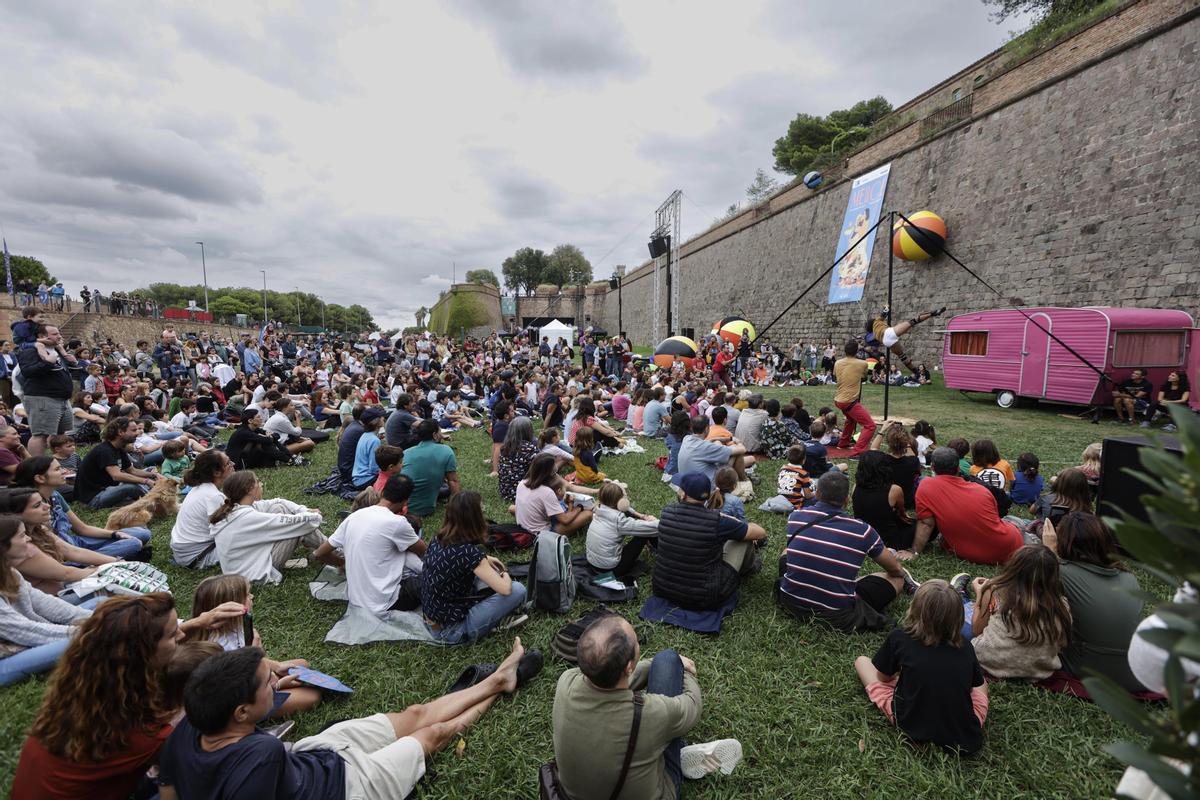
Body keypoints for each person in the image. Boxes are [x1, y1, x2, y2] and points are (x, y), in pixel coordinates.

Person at [157, 639, 535, 800]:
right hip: (348, 789)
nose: (275, 680)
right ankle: (501, 684)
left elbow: (169, 794)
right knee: (434, 734)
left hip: (313, 754)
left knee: (415, 714)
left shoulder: (188, 729)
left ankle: (497, 679)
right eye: (266, 682)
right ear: (240, 713)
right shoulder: (260, 754)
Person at [11, 592, 248, 800]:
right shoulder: (142, 732)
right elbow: (211, 761)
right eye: (172, 633)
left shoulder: (83, 696)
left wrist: (200, 621)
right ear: (142, 651)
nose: (182, 636)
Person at [553, 616, 742, 800]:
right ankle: (676, 754)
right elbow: (692, 704)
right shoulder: (648, 713)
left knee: (664, 661)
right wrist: (683, 671)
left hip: (571, 794)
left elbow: (616, 679)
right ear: (628, 667)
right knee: (668, 659)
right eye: (636, 642)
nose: (638, 645)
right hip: (659, 790)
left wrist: (652, 665)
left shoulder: (566, 682)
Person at [853, 580, 988, 755]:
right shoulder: (966, 648)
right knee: (982, 684)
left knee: (862, 662)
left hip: (909, 724)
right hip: (963, 735)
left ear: (915, 609)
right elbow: (970, 687)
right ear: (959, 617)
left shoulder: (899, 638)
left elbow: (883, 678)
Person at [778, 470, 914, 632]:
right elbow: (895, 568)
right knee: (896, 579)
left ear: (818, 494)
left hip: (790, 601)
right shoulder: (862, 530)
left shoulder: (795, 516)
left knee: (787, 551)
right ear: (846, 500)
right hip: (836, 615)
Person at [1047, 512, 1150, 693]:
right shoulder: (1129, 578)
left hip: (1089, 668)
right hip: (1136, 671)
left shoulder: (1060, 572)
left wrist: (1048, 551)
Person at [421, 491, 527, 644]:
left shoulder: (438, 538)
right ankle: (495, 624)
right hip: (451, 632)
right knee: (518, 589)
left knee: (482, 580)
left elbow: (456, 560)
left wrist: (484, 558)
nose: (483, 511)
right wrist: (504, 573)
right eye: (481, 509)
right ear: (474, 518)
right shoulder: (469, 554)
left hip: (432, 619)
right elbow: (505, 589)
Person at [953, 544, 1072, 680]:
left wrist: (981, 594)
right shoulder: (1062, 605)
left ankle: (959, 597)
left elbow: (977, 630)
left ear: (1014, 567)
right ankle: (961, 598)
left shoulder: (996, 591)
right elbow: (1061, 642)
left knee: (958, 617)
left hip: (988, 660)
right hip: (1039, 671)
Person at [652, 472, 766, 611]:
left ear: (683, 495)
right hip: (705, 596)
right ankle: (749, 569)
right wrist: (729, 519)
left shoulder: (667, 512)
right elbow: (760, 533)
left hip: (663, 588)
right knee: (744, 539)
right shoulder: (717, 521)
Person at [314, 474, 426, 615]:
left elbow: (319, 553)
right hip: (387, 602)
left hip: (356, 600)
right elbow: (425, 552)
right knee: (434, 576)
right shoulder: (398, 523)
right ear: (405, 502)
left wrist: (342, 563)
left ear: (382, 492)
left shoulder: (353, 517)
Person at [0, 517, 92, 686]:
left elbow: (45, 604)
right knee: (85, 640)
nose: (28, 538)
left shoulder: (10, 572)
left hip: (22, 635)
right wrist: (94, 629)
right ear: (3, 546)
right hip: (4, 657)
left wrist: (100, 619)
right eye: (21, 536)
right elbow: (25, 631)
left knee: (100, 604)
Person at [899, 447, 1024, 565]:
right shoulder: (982, 491)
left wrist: (914, 551)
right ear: (958, 468)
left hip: (973, 552)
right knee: (1017, 523)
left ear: (932, 467)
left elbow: (926, 523)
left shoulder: (926, 486)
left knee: (1017, 523)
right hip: (1012, 548)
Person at [14, 456, 151, 561]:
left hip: (75, 542)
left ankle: (104, 556)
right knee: (133, 544)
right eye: (57, 469)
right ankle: (100, 559)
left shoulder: (55, 496)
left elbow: (82, 529)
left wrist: (114, 534)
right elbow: (60, 550)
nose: (64, 471)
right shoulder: (29, 507)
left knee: (142, 533)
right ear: (40, 478)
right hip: (63, 554)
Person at [209, 470, 332, 584]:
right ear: (249, 489)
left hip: (244, 565)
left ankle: (328, 550)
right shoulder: (247, 517)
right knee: (299, 527)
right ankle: (340, 553)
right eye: (258, 481)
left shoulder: (235, 508)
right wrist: (315, 516)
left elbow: (278, 501)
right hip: (252, 574)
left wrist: (304, 510)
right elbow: (298, 522)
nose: (261, 484)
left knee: (279, 508)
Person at [16, 323, 77, 457]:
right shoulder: (30, 351)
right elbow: (28, 371)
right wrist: (47, 362)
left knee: (61, 434)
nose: (59, 336)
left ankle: (59, 463)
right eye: (55, 334)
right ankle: (37, 466)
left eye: (58, 333)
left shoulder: (55, 350)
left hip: (62, 399)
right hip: (42, 398)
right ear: (42, 336)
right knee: (40, 434)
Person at [73, 417, 159, 509]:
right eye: (133, 430)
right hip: (93, 498)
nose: (137, 433)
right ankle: (155, 500)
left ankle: (134, 499)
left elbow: (132, 470)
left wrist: (152, 475)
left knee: (149, 470)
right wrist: (146, 481)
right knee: (131, 487)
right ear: (120, 432)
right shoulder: (105, 450)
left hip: (109, 488)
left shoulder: (119, 448)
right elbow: (116, 476)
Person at [170, 450, 233, 569]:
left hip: (184, 551)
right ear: (216, 472)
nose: (233, 465)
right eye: (228, 463)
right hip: (197, 556)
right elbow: (227, 531)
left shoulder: (200, 488)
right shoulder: (213, 496)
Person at [586, 481, 658, 579]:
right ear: (621, 502)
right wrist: (654, 521)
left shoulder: (598, 511)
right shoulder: (619, 521)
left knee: (643, 528)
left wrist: (641, 515)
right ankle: (662, 552)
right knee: (644, 533)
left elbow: (627, 510)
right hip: (611, 570)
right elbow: (652, 528)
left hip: (593, 564)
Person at [850, 450, 915, 550]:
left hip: (863, 535)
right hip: (886, 539)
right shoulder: (894, 490)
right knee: (923, 526)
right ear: (885, 468)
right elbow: (902, 514)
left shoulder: (855, 487)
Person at [515, 453, 592, 535]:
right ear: (549, 471)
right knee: (588, 514)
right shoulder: (546, 492)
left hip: (523, 527)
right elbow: (565, 520)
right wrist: (579, 508)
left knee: (514, 508)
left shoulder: (522, 483)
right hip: (541, 533)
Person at [400, 420, 459, 519]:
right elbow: (453, 481)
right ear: (434, 435)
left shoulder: (406, 452)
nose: (441, 434)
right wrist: (458, 505)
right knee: (447, 487)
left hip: (403, 506)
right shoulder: (446, 450)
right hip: (424, 509)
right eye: (440, 431)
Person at [676, 415, 752, 486]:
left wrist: (729, 438)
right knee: (736, 453)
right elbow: (742, 450)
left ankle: (739, 478)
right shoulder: (706, 447)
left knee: (717, 443)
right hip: (707, 485)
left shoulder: (687, 438)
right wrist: (738, 441)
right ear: (706, 429)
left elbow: (711, 440)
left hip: (688, 483)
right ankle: (744, 480)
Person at [833, 338, 876, 456]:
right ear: (857, 351)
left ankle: (843, 443)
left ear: (845, 350)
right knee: (870, 426)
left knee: (851, 419)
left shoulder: (837, 363)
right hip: (849, 401)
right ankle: (858, 451)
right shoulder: (862, 363)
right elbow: (864, 377)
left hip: (838, 399)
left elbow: (836, 376)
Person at [225, 410, 291, 470]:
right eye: (258, 417)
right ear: (250, 421)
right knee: (266, 443)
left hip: (246, 456)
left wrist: (270, 436)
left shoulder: (252, 428)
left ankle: (290, 458)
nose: (261, 419)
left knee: (269, 440)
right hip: (239, 463)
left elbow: (276, 435)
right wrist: (270, 437)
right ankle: (289, 459)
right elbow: (267, 440)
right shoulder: (244, 432)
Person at [497, 416, 538, 503]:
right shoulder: (529, 448)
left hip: (505, 491)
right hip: (523, 493)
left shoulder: (505, 447)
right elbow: (538, 472)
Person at [350, 406, 387, 489]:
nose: (383, 418)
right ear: (376, 422)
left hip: (357, 477)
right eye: (381, 417)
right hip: (365, 479)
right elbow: (374, 469)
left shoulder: (365, 435)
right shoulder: (374, 440)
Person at [776, 445, 814, 510]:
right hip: (796, 504)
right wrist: (815, 493)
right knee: (818, 497)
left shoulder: (783, 468)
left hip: (781, 500)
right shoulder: (804, 473)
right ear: (804, 460)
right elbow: (808, 496)